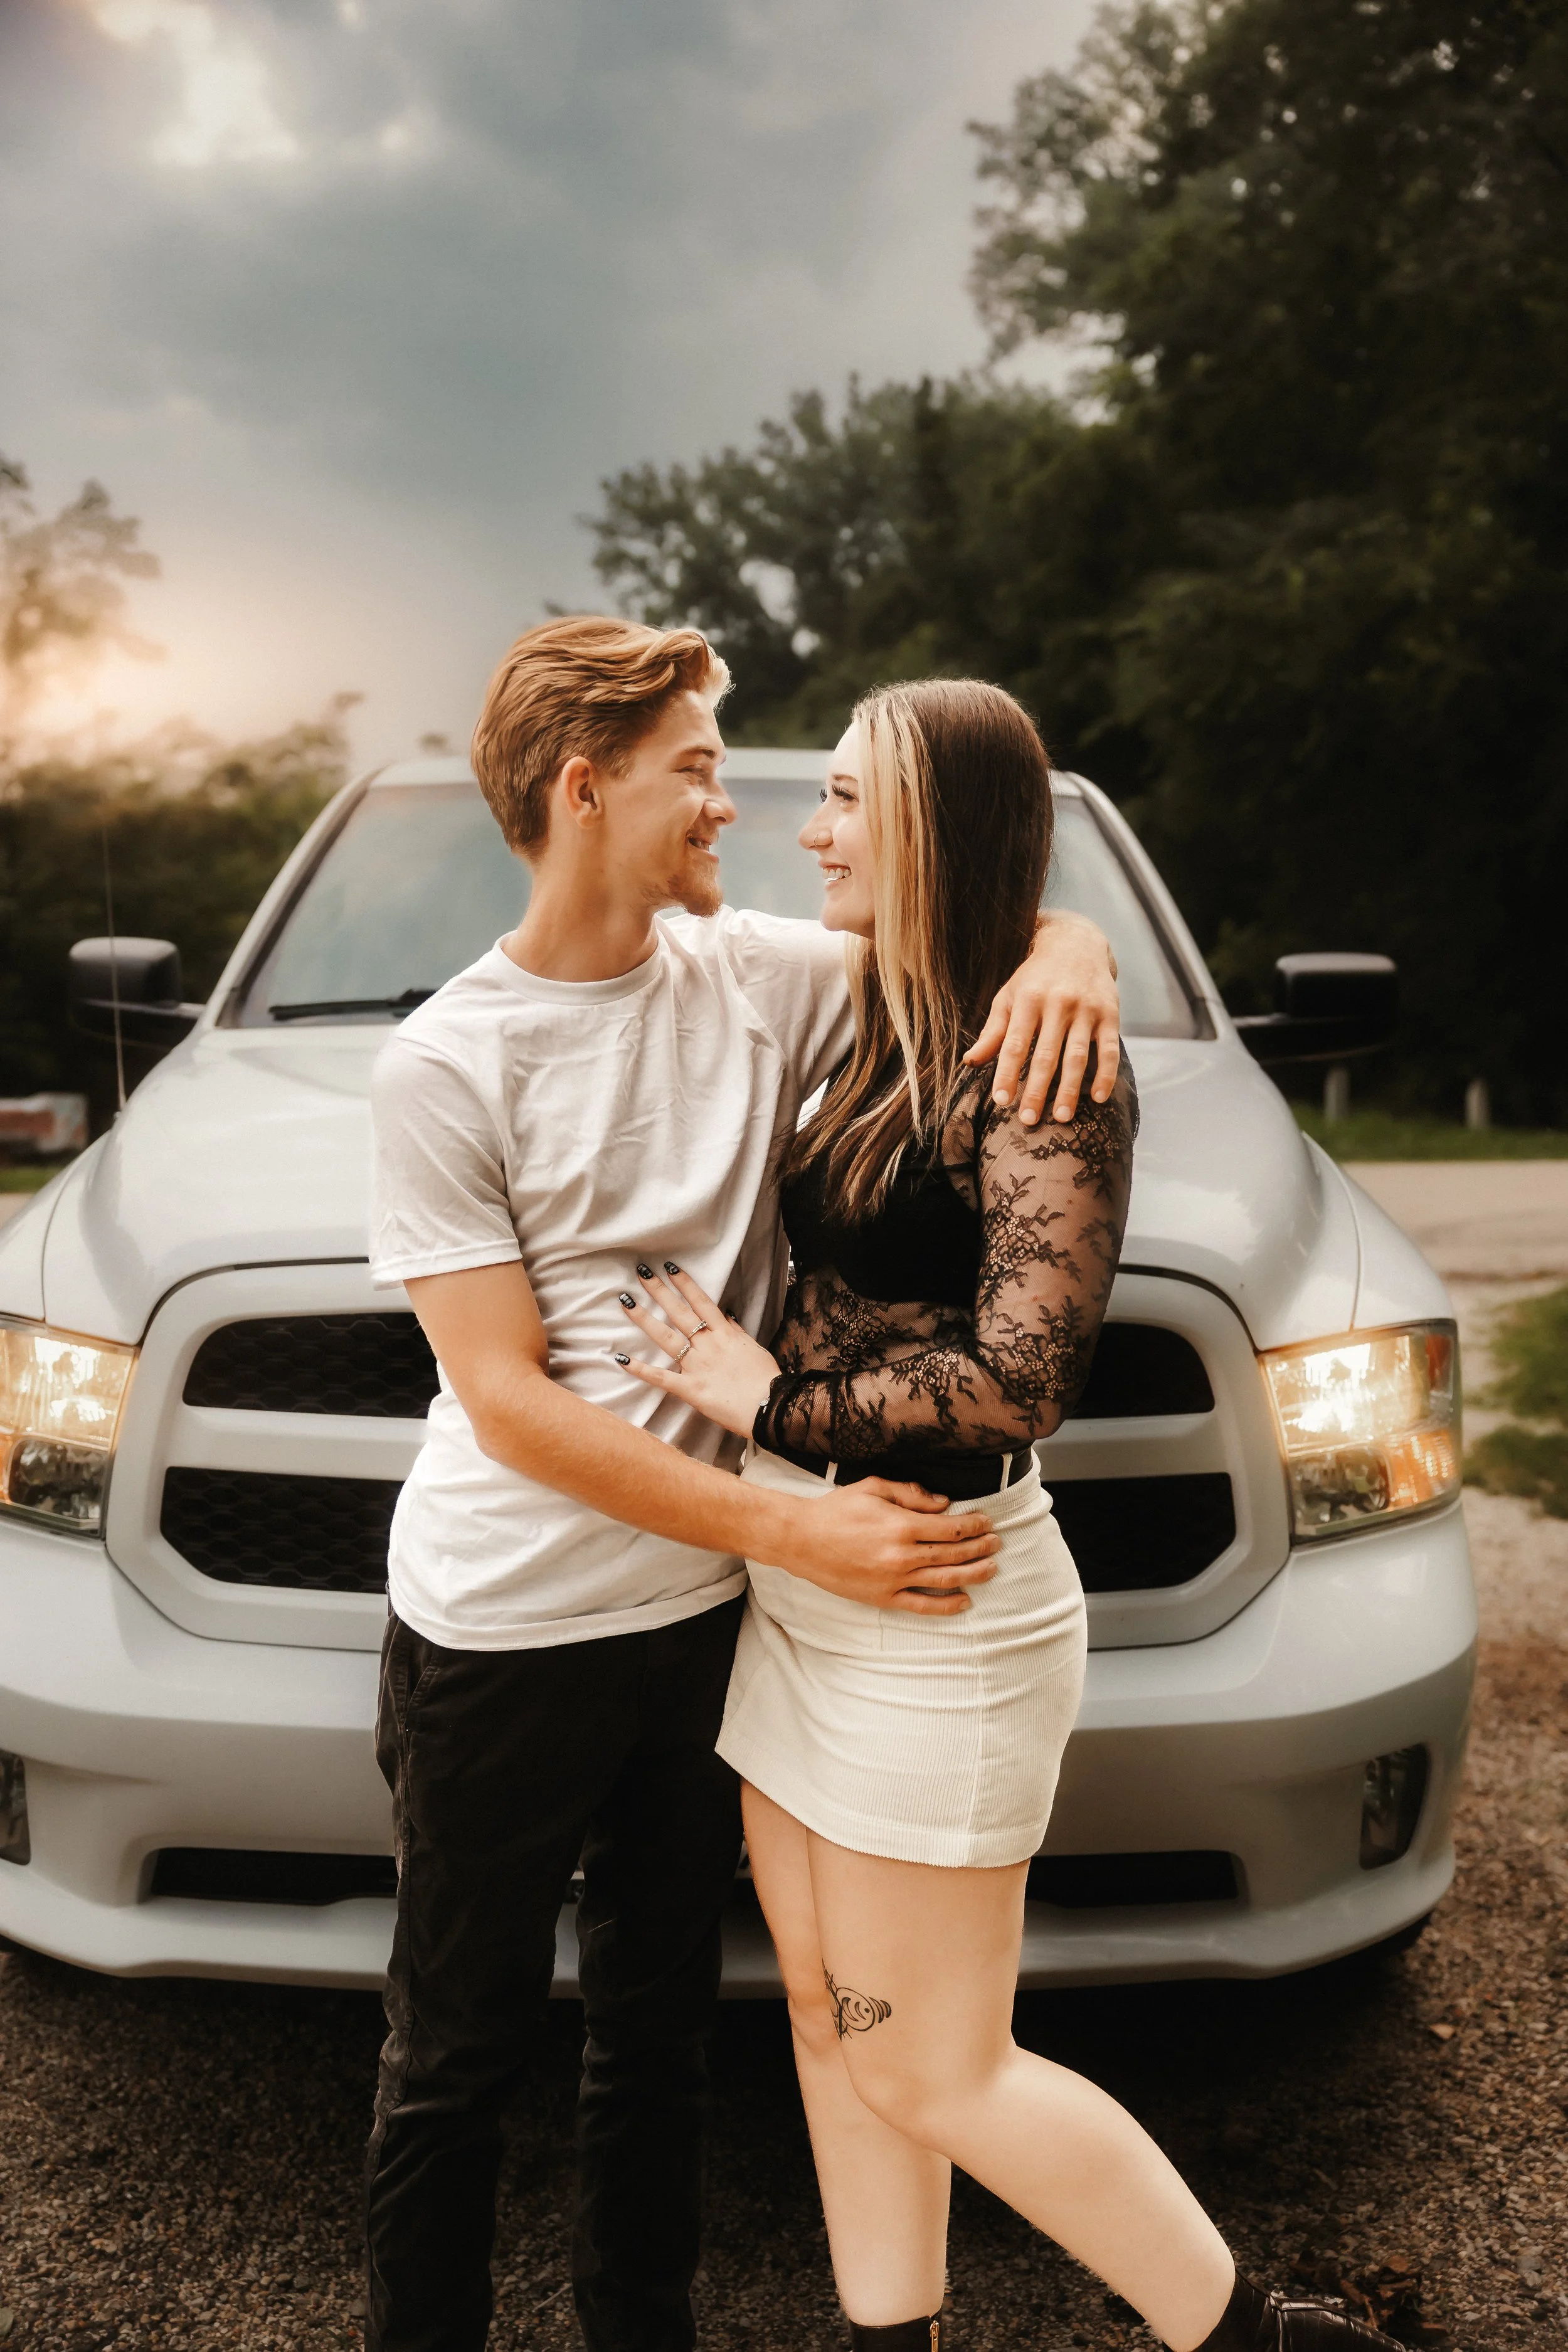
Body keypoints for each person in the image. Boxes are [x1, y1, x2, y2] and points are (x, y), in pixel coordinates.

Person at [363, 616, 1125, 2352]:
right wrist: (801, 1519)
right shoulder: (444, 1063)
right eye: (699, 769)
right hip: (505, 1629)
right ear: (585, 786)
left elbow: (953, 923)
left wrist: (1070, 944)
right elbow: (506, 1402)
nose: (737, 808)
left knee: (655, 2041)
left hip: (705, 1621)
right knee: (455, 2054)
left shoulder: (753, 970)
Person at [616, 679, 1403, 2352]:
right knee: (834, 2034)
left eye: (841, 798)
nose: (806, 829)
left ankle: (1262, 2337)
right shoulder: (892, 1011)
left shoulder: (1046, 1063)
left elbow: (1018, 1376)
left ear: (926, 827)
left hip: (940, 1602)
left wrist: (764, 1398)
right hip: (807, 1581)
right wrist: (1062, 927)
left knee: (935, 2059)